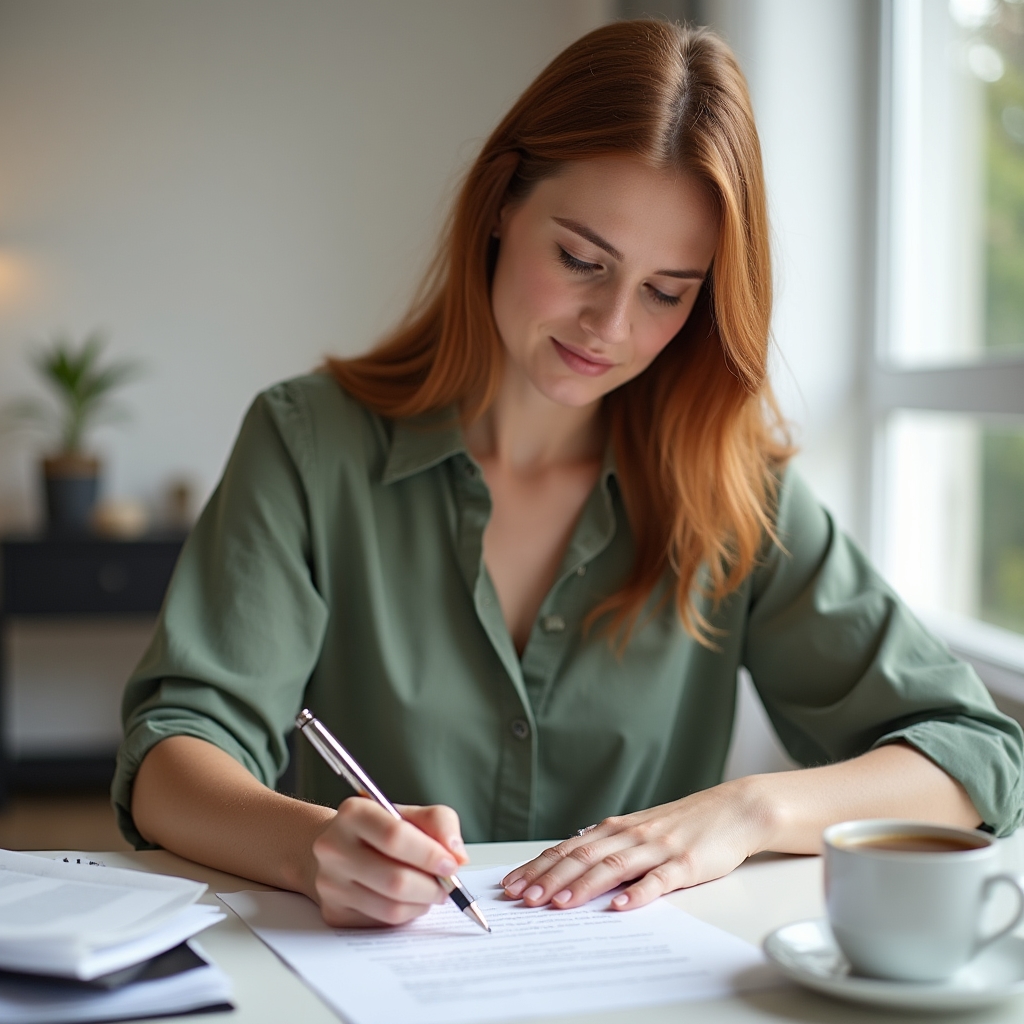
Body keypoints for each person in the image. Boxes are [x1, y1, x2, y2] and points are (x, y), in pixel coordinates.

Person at [115, 20, 1023, 928]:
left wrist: (751, 810)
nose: (611, 325)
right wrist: (310, 848)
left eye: (667, 291)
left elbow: (975, 755)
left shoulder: (740, 494)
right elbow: (171, 758)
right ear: (502, 204)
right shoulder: (308, 444)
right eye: (582, 261)